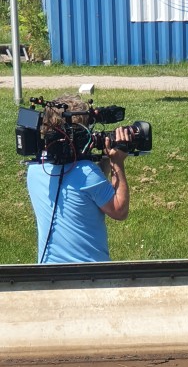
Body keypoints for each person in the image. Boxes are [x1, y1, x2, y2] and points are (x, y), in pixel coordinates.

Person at [26, 94, 131, 263]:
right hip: (89, 275)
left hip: (48, 273)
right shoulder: (87, 174)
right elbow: (119, 211)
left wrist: (104, 158)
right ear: (78, 132)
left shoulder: (35, 169)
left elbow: (87, 191)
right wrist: (116, 162)